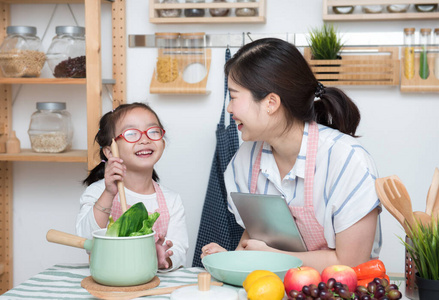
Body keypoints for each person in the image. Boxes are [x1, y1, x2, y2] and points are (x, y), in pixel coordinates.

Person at [201, 38, 381, 272]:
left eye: (234, 97)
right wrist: (229, 260)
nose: (229, 109)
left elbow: (351, 263)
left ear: (271, 103)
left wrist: (271, 257)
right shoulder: (244, 161)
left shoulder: (346, 160)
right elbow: (254, 242)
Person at [76, 102, 189, 271]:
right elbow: (85, 238)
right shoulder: (98, 192)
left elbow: (179, 250)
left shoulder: (171, 200)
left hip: (151, 281)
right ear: (109, 151)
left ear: (162, 144)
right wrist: (108, 194)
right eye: (131, 133)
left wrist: (164, 258)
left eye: (153, 131)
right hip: (108, 282)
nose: (145, 139)